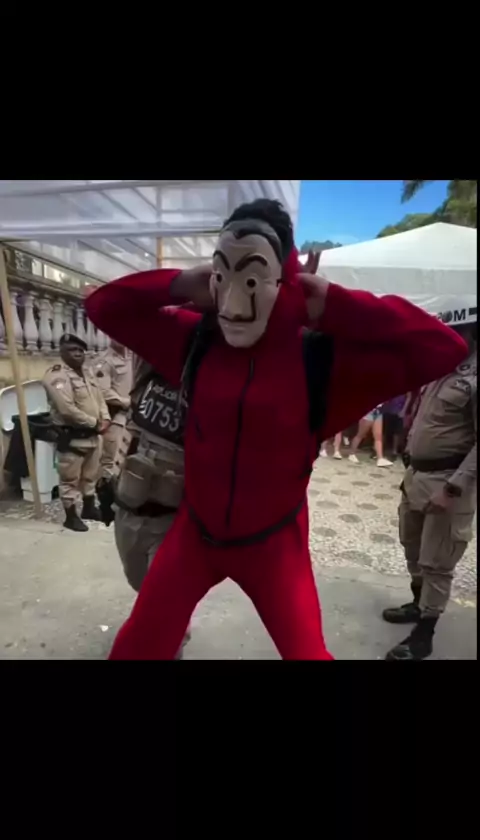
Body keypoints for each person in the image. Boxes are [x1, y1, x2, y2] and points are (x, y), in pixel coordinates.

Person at [85, 198, 467, 661]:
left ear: (284, 281)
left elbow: (443, 347)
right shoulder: (196, 339)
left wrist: (334, 305)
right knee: (136, 648)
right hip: (194, 536)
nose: (233, 305)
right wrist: (182, 283)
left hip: (274, 548)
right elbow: (103, 306)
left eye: (251, 280)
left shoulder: (320, 361)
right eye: (222, 276)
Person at [382, 302, 477, 661]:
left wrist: (453, 489)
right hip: (417, 475)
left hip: (447, 482)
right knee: (412, 547)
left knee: (437, 562)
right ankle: (417, 603)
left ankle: (424, 635)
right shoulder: (442, 367)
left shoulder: (474, 378)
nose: (449, 337)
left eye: (457, 331)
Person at [42, 334, 111, 532]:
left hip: (93, 437)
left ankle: (89, 508)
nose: (78, 354)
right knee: (69, 479)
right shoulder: (56, 376)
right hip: (73, 438)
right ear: (62, 352)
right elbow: (66, 409)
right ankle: (70, 517)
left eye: (81, 350)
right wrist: (95, 423)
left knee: (90, 476)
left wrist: (105, 418)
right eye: (72, 350)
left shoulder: (87, 373)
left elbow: (100, 399)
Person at [91, 341, 133, 479]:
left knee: (130, 462)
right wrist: (125, 402)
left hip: (134, 419)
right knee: (110, 463)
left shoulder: (133, 357)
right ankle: (105, 489)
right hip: (116, 418)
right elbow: (102, 391)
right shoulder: (104, 361)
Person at [382, 394, 406, 459]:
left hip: (398, 410)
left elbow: (409, 397)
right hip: (387, 409)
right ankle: (380, 449)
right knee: (383, 431)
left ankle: (394, 451)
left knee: (396, 432)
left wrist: (404, 410)